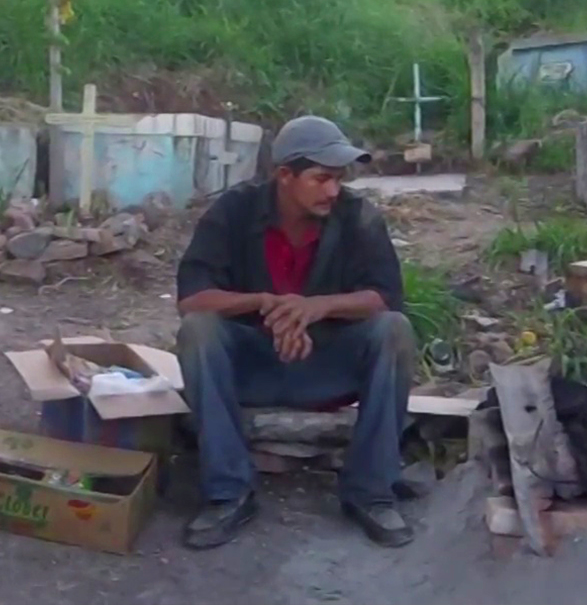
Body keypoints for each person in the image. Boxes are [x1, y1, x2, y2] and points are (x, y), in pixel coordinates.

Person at [174, 115, 417, 550]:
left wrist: (316, 308)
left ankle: (371, 492)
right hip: (254, 368)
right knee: (199, 331)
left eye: (338, 178)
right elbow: (192, 299)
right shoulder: (234, 211)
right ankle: (228, 493)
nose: (333, 190)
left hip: (327, 366)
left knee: (393, 331)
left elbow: (385, 297)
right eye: (321, 178)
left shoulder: (358, 217)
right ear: (284, 175)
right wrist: (264, 303)